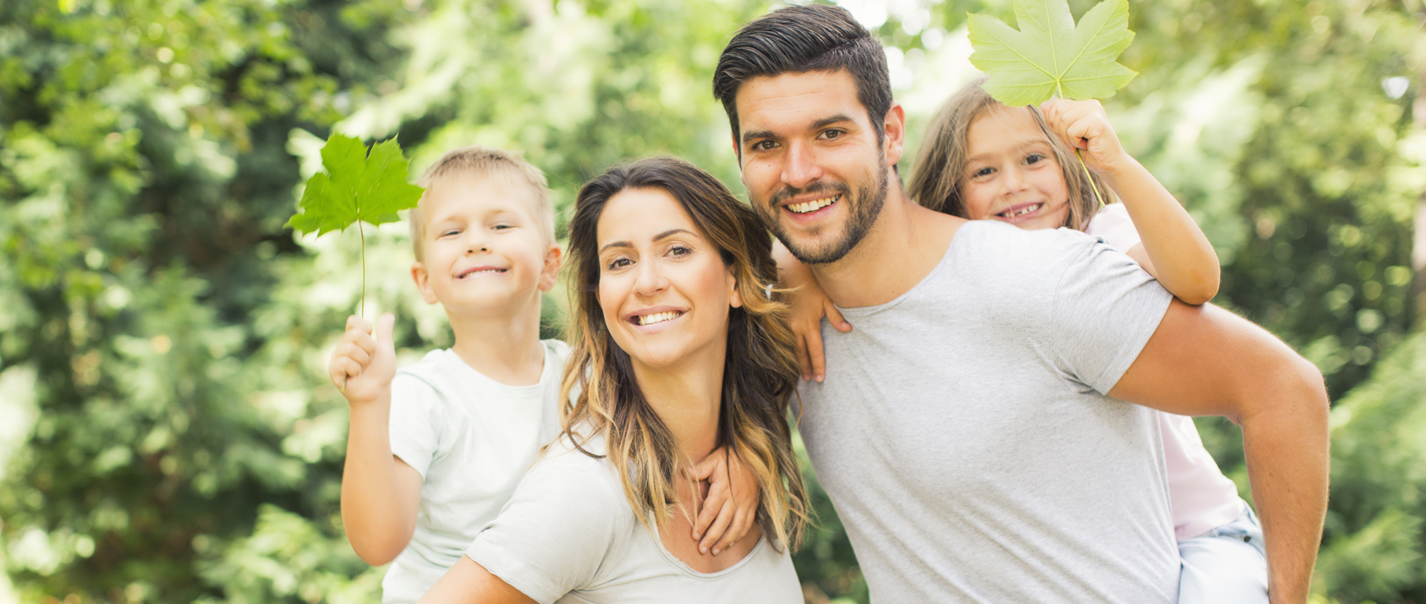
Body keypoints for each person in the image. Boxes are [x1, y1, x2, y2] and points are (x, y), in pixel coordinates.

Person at [712, 5, 1328, 603]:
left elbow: (1283, 390)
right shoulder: (777, 319)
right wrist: (743, 444)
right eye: (766, 145)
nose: (798, 171)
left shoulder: (1036, 277)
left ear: (890, 132)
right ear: (739, 156)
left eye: (830, 133)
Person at [784, 78, 1267, 602]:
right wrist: (795, 267)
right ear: (954, 190)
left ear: (1069, 164)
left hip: (1203, 539)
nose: (1013, 184)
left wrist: (1117, 164)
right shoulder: (963, 282)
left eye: (1034, 159)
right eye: (985, 171)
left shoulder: (1101, 239)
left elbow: (1198, 280)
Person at [328, 148, 758, 604]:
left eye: (500, 225)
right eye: (452, 231)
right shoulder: (425, 394)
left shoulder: (586, 374)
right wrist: (369, 405)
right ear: (424, 281)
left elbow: (679, 426)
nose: (476, 242)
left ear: (551, 265)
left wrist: (740, 456)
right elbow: (378, 543)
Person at [418, 157, 810, 603]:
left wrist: (749, 450)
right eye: (620, 261)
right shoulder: (584, 490)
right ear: (601, 297)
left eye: (677, 250)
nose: (645, 282)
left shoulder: (751, 453)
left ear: (736, 279)